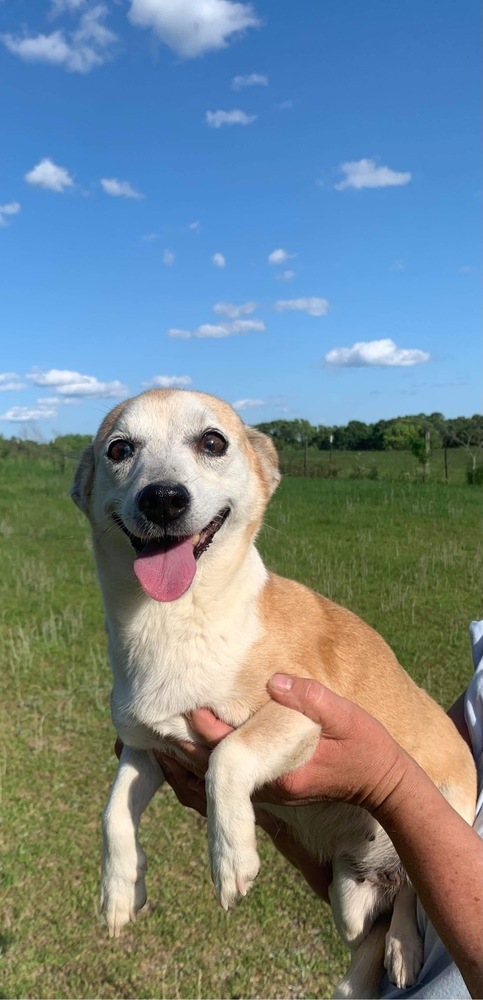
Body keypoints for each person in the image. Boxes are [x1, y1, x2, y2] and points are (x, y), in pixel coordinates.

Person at [141, 622, 483, 999]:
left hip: (405, 886)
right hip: (377, 856)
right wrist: (266, 804)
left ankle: (395, 918)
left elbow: (417, 782)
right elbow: (439, 751)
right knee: (352, 918)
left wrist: (384, 784)